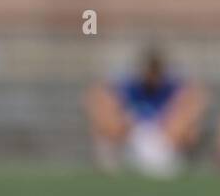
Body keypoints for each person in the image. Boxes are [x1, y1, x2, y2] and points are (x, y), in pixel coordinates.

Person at [84, 48, 206, 177]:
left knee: (186, 125)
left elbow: (198, 98)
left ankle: (162, 162)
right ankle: (119, 161)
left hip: (164, 139)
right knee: (105, 109)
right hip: (131, 138)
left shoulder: (171, 87)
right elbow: (94, 96)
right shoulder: (129, 86)